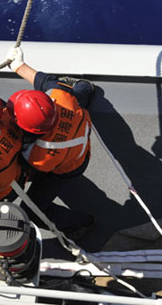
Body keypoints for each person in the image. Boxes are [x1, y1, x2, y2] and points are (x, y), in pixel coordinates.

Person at [6, 46, 96, 239]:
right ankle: (85, 87)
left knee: (33, 210)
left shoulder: (41, 155)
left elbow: (25, 167)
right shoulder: (58, 95)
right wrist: (19, 66)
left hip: (69, 168)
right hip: (80, 142)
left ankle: (80, 223)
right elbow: (46, 81)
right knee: (77, 93)